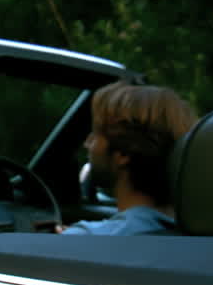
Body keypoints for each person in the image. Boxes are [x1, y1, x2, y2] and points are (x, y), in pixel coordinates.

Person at [58, 81, 197, 235]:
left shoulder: (85, 239)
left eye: (96, 133)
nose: (87, 143)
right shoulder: (193, 233)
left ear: (123, 154)